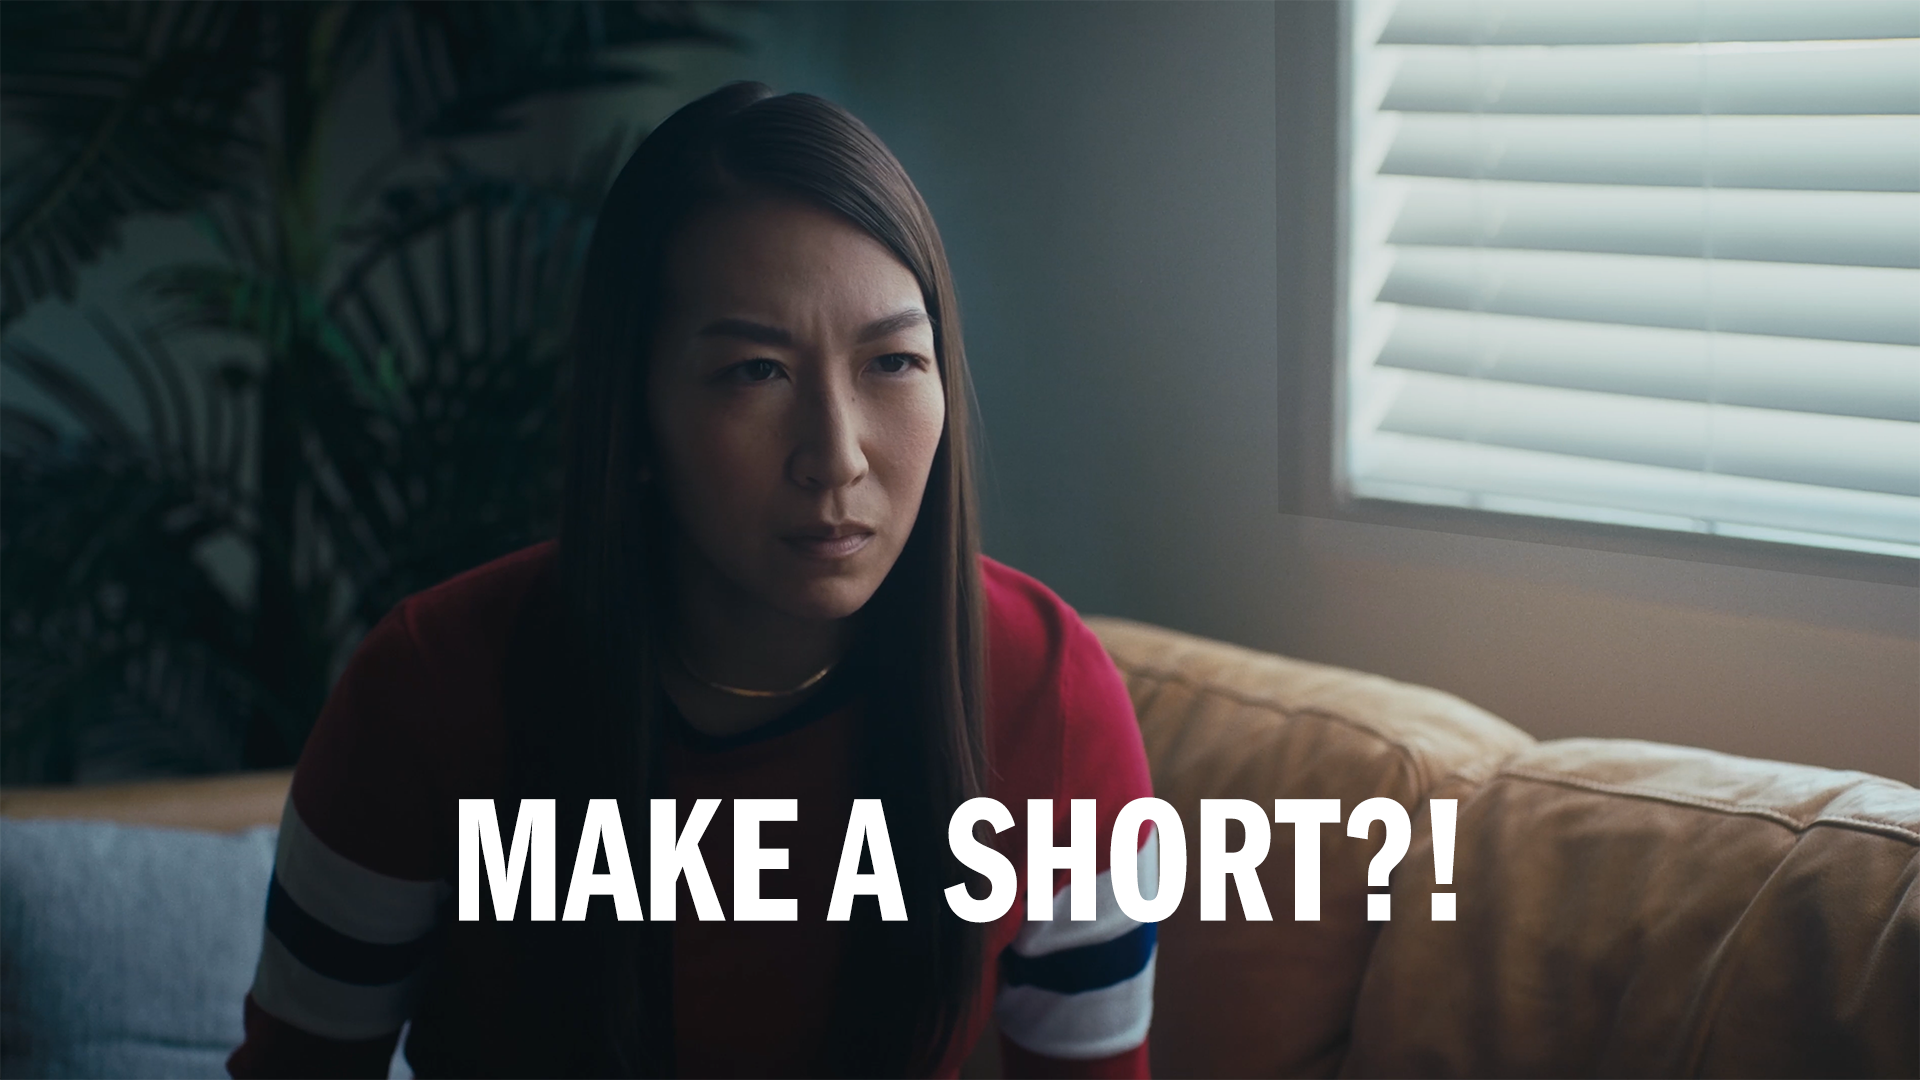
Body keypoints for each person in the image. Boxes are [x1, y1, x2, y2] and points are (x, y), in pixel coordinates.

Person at [226, 82, 1156, 1079]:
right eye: (756, 371)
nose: (837, 457)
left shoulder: (1047, 694)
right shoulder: (432, 688)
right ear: (635, 413)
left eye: (891, 362)